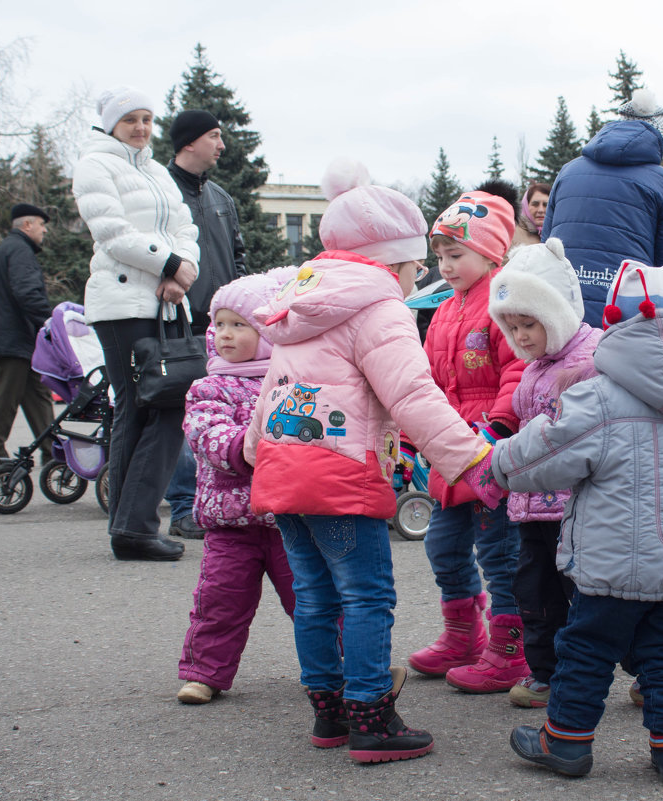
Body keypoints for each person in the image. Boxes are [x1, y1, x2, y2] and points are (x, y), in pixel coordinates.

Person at [242, 160, 494, 764]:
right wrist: (471, 459)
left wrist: (255, 454)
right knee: (365, 595)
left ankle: (328, 709)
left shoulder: (303, 306)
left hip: (282, 468)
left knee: (315, 593)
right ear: (388, 260)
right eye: (413, 265)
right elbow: (412, 395)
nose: (417, 277)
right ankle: (371, 717)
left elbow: (272, 387)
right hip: (339, 472)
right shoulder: (380, 309)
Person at [467, 260, 663, 786]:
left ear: (617, 323)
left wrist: (495, 465)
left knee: (586, 648)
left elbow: (545, 452)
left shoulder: (599, 395)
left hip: (614, 560)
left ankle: (565, 743)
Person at [407, 190, 530, 694]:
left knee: (500, 554)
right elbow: (429, 378)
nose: (446, 265)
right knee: (444, 548)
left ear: (491, 253)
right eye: (439, 257)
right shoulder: (442, 310)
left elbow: (520, 368)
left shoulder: (506, 302)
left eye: (456, 255)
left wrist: (498, 427)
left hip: (490, 453)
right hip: (449, 450)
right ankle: (463, 636)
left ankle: (510, 650)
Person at [72, 86, 200, 561]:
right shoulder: (95, 165)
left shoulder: (155, 171)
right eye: (131, 120)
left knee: (152, 407)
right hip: (121, 303)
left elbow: (186, 228)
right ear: (111, 123)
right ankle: (134, 526)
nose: (142, 128)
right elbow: (110, 232)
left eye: (148, 119)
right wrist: (168, 263)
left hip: (163, 301)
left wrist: (181, 268)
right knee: (152, 405)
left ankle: (128, 526)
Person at [486, 237, 601, 710]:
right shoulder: (533, 366)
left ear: (556, 313)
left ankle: (641, 667)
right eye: (512, 327)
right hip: (531, 507)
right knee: (534, 592)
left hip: (579, 508)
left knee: (596, 596)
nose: (521, 336)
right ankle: (545, 672)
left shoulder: (592, 360)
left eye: (529, 323)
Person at [176, 272, 295, 705]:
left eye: (238, 325)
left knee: (313, 599)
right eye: (219, 324)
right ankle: (205, 672)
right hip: (230, 522)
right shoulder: (209, 386)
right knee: (220, 599)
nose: (224, 334)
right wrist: (243, 447)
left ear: (266, 331)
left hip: (287, 519)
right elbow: (206, 433)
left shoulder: (288, 379)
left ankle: (336, 665)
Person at [163, 109, 248, 541]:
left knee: (222, 413)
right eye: (215, 136)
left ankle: (216, 500)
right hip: (176, 322)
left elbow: (238, 256)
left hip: (220, 327)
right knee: (184, 416)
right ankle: (182, 506)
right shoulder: (161, 192)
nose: (221, 144)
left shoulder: (221, 199)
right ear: (189, 142)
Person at [541, 89, 663, 326]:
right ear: (660, 139)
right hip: (628, 314)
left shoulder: (568, 171)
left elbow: (546, 245)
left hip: (564, 310)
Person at [0, 204, 55, 473]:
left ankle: (52, 451)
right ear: (27, 225)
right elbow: (27, 292)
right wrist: (51, 320)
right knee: (6, 398)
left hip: (19, 338)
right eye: (41, 225)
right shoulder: (20, 250)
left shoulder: (8, 248)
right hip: (18, 337)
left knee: (38, 396)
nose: (44, 230)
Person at [512, 182, 551, 248]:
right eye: (535, 204)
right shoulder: (512, 234)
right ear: (526, 206)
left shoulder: (558, 233)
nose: (540, 210)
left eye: (546, 205)